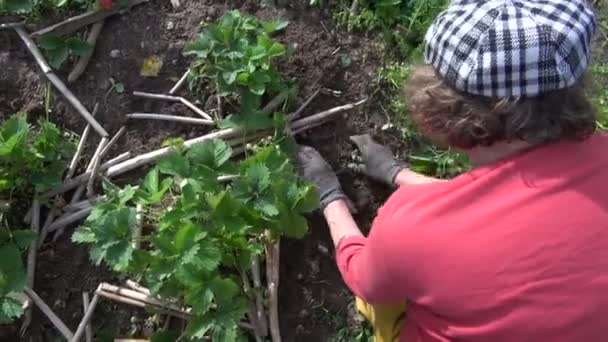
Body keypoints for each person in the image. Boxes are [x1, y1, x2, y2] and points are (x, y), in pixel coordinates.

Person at [297, 0, 608, 341]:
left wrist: (329, 196)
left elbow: (364, 279)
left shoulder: (411, 229)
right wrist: (397, 173)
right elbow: (515, 206)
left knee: (387, 303)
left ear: (444, 108)